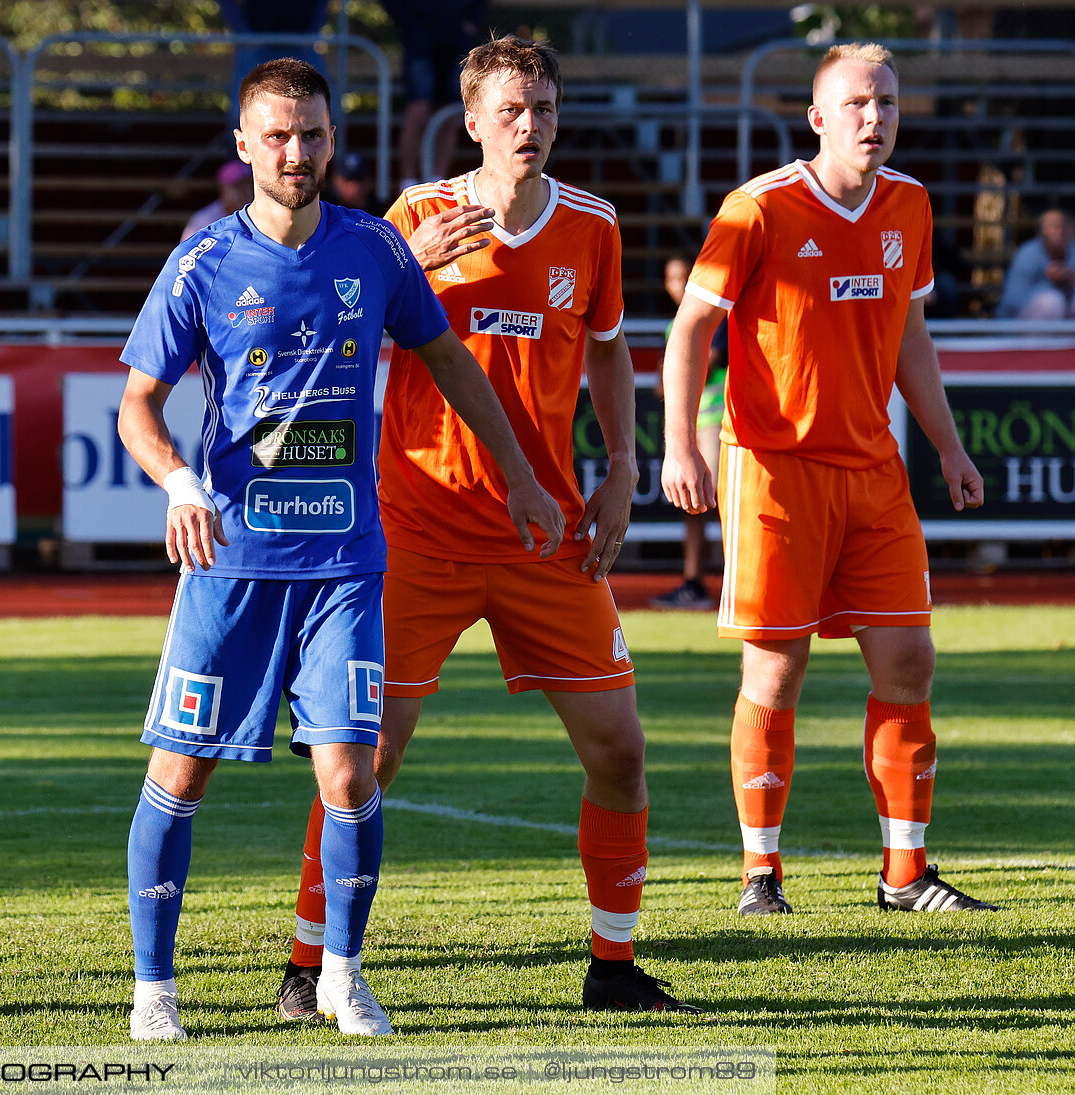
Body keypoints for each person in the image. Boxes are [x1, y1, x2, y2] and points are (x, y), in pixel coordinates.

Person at [119, 58, 562, 1041]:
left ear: (332, 140)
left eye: (312, 133)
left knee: (352, 777)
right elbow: (136, 407)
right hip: (232, 566)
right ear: (244, 145)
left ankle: (342, 977)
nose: (296, 152)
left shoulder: (378, 251)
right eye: (277, 134)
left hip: (344, 567)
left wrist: (522, 474)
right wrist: (181, 485)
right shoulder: (201, 263)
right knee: (181, 774)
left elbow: (448, 359)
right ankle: (154, 989)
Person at [277, 35, 702, 1019]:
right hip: (417, 534)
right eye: (511, 109)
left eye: (545, 108)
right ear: (470, 120)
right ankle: (308, 965)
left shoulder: (593, 225)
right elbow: (322, 341)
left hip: (546, 532)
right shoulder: (415, 217)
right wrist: (397, 269)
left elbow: (606, 352)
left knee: (622, 752)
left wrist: (624, 469)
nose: (531, 126)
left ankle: (614, 966)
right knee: (365, 759)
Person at [663, 43, 998, 917]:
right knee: (776, 673)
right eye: (855, 103)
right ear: (818, 118)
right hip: (776, 470)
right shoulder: (760, 207)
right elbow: (692, 325)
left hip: (875, 474)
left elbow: (910, 338)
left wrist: (950, 447)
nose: (873, 118)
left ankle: (906, 874)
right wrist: (679, 446)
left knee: (909, 661)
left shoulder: (911, 205)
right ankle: (760, 875)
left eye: (886, 102)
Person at [650, 254, 727, 611]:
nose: (677, 285)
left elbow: (705, 359)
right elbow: (661, 384)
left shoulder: (718, 314)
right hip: (690, 428)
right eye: (671, 278)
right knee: (692, 505)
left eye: (683, 276)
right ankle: (694, 582)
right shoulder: (675, 325)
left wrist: (672, 371)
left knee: (723, 502)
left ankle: (739, 585)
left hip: (717, 422)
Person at [381, 1, 488, 187]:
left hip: (457, 41)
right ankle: (408, 182)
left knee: (451, 113)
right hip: (420, 39)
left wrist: (471, 20)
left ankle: (438, 181)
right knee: (419, 108)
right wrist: (411, 24)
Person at [995, 205, 1074, 320]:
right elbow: (1012, 300)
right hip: (1021, 324)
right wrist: (1051, 282)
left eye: (1065, 226)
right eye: (1055, 226)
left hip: (1067, 324)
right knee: (1051, 302)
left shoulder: (1073, 250)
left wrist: (1070, 279)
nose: (1060, 231)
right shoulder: (1028, 253)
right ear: (1043, 230)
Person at [181, 160, 253, 241]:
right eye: (238, 186)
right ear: (223, 189)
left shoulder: (258, 215)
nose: (246, 191)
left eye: (249, 184)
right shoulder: (205, 221)